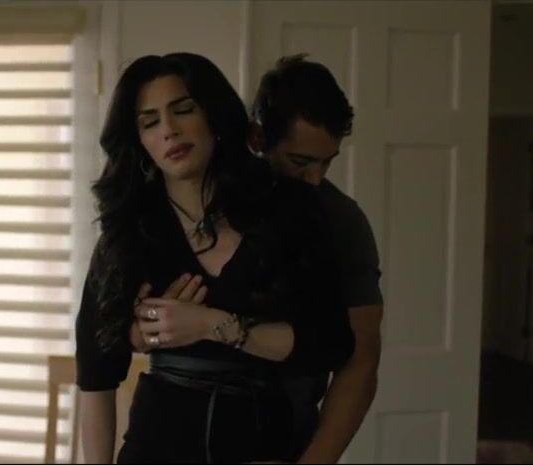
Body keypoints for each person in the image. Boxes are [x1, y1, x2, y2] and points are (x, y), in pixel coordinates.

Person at [75, 52, 354, 464]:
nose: (169, 130)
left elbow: (330, 345)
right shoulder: (129, 234)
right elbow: (96, 371)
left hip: (262, 441)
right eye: (150, 122)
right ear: (140, 141)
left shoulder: (287, 210)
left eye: (183, 110)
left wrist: (212, 325)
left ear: (213, 114)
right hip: (156, 446)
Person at [247, 54, 384, 464]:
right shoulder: (209, 202)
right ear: (257, 139)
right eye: (301, 161)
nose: (315, 178)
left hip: (288, 440)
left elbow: (360, 361)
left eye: (327, 161)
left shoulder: (342, 220)